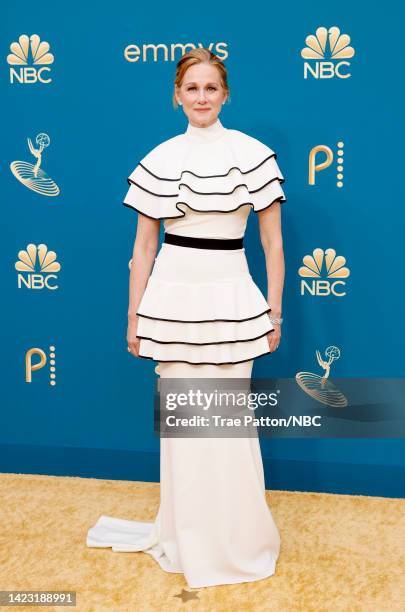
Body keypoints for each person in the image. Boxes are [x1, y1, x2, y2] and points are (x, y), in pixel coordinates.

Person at [86, 48, 286, 589]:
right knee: (182, 427)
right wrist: (134, 316)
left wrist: (275, 309)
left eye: (210, 88)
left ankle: (238, 540)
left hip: (231, 300)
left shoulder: (254, 155)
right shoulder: (159, 158)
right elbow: (143, 247)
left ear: (226, 95)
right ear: (177, 96)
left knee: (227, 423)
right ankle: (184, 534)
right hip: (173, 300)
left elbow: (272, 242)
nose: (201, 97)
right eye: (191, 88)